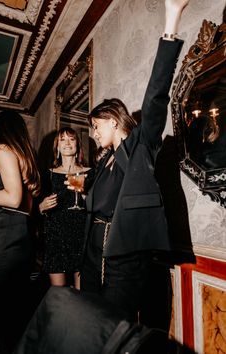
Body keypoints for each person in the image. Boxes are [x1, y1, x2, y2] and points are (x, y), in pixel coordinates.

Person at [75, 0, 190, 331]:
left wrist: (172, 19)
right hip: (93, 252)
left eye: (96, 127)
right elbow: (105, 202)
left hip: (125, 258)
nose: (94, 135)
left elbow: (155, 96)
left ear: (111, 120)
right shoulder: (104, 161)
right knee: (95, 323)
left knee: (117, 327)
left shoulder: (141, 146)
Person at [0, 110, 40, 351]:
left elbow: (13, 198)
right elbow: (27, 206)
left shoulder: (3, 149)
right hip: (21, 242)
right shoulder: (24, 156)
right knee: (14, 311)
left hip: (6, 241)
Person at [39, 127, 90, 289]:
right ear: (57, 147)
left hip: (82, 238)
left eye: (72, 139)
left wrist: (84, 196)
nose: (67, 143)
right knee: (58, 296)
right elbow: (33, 209)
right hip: (56, 240)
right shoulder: (48, 175)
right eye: (62, 139)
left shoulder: (90, 172)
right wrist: (41, 207)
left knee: (82, 297)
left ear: (78, 146)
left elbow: (98, 206)